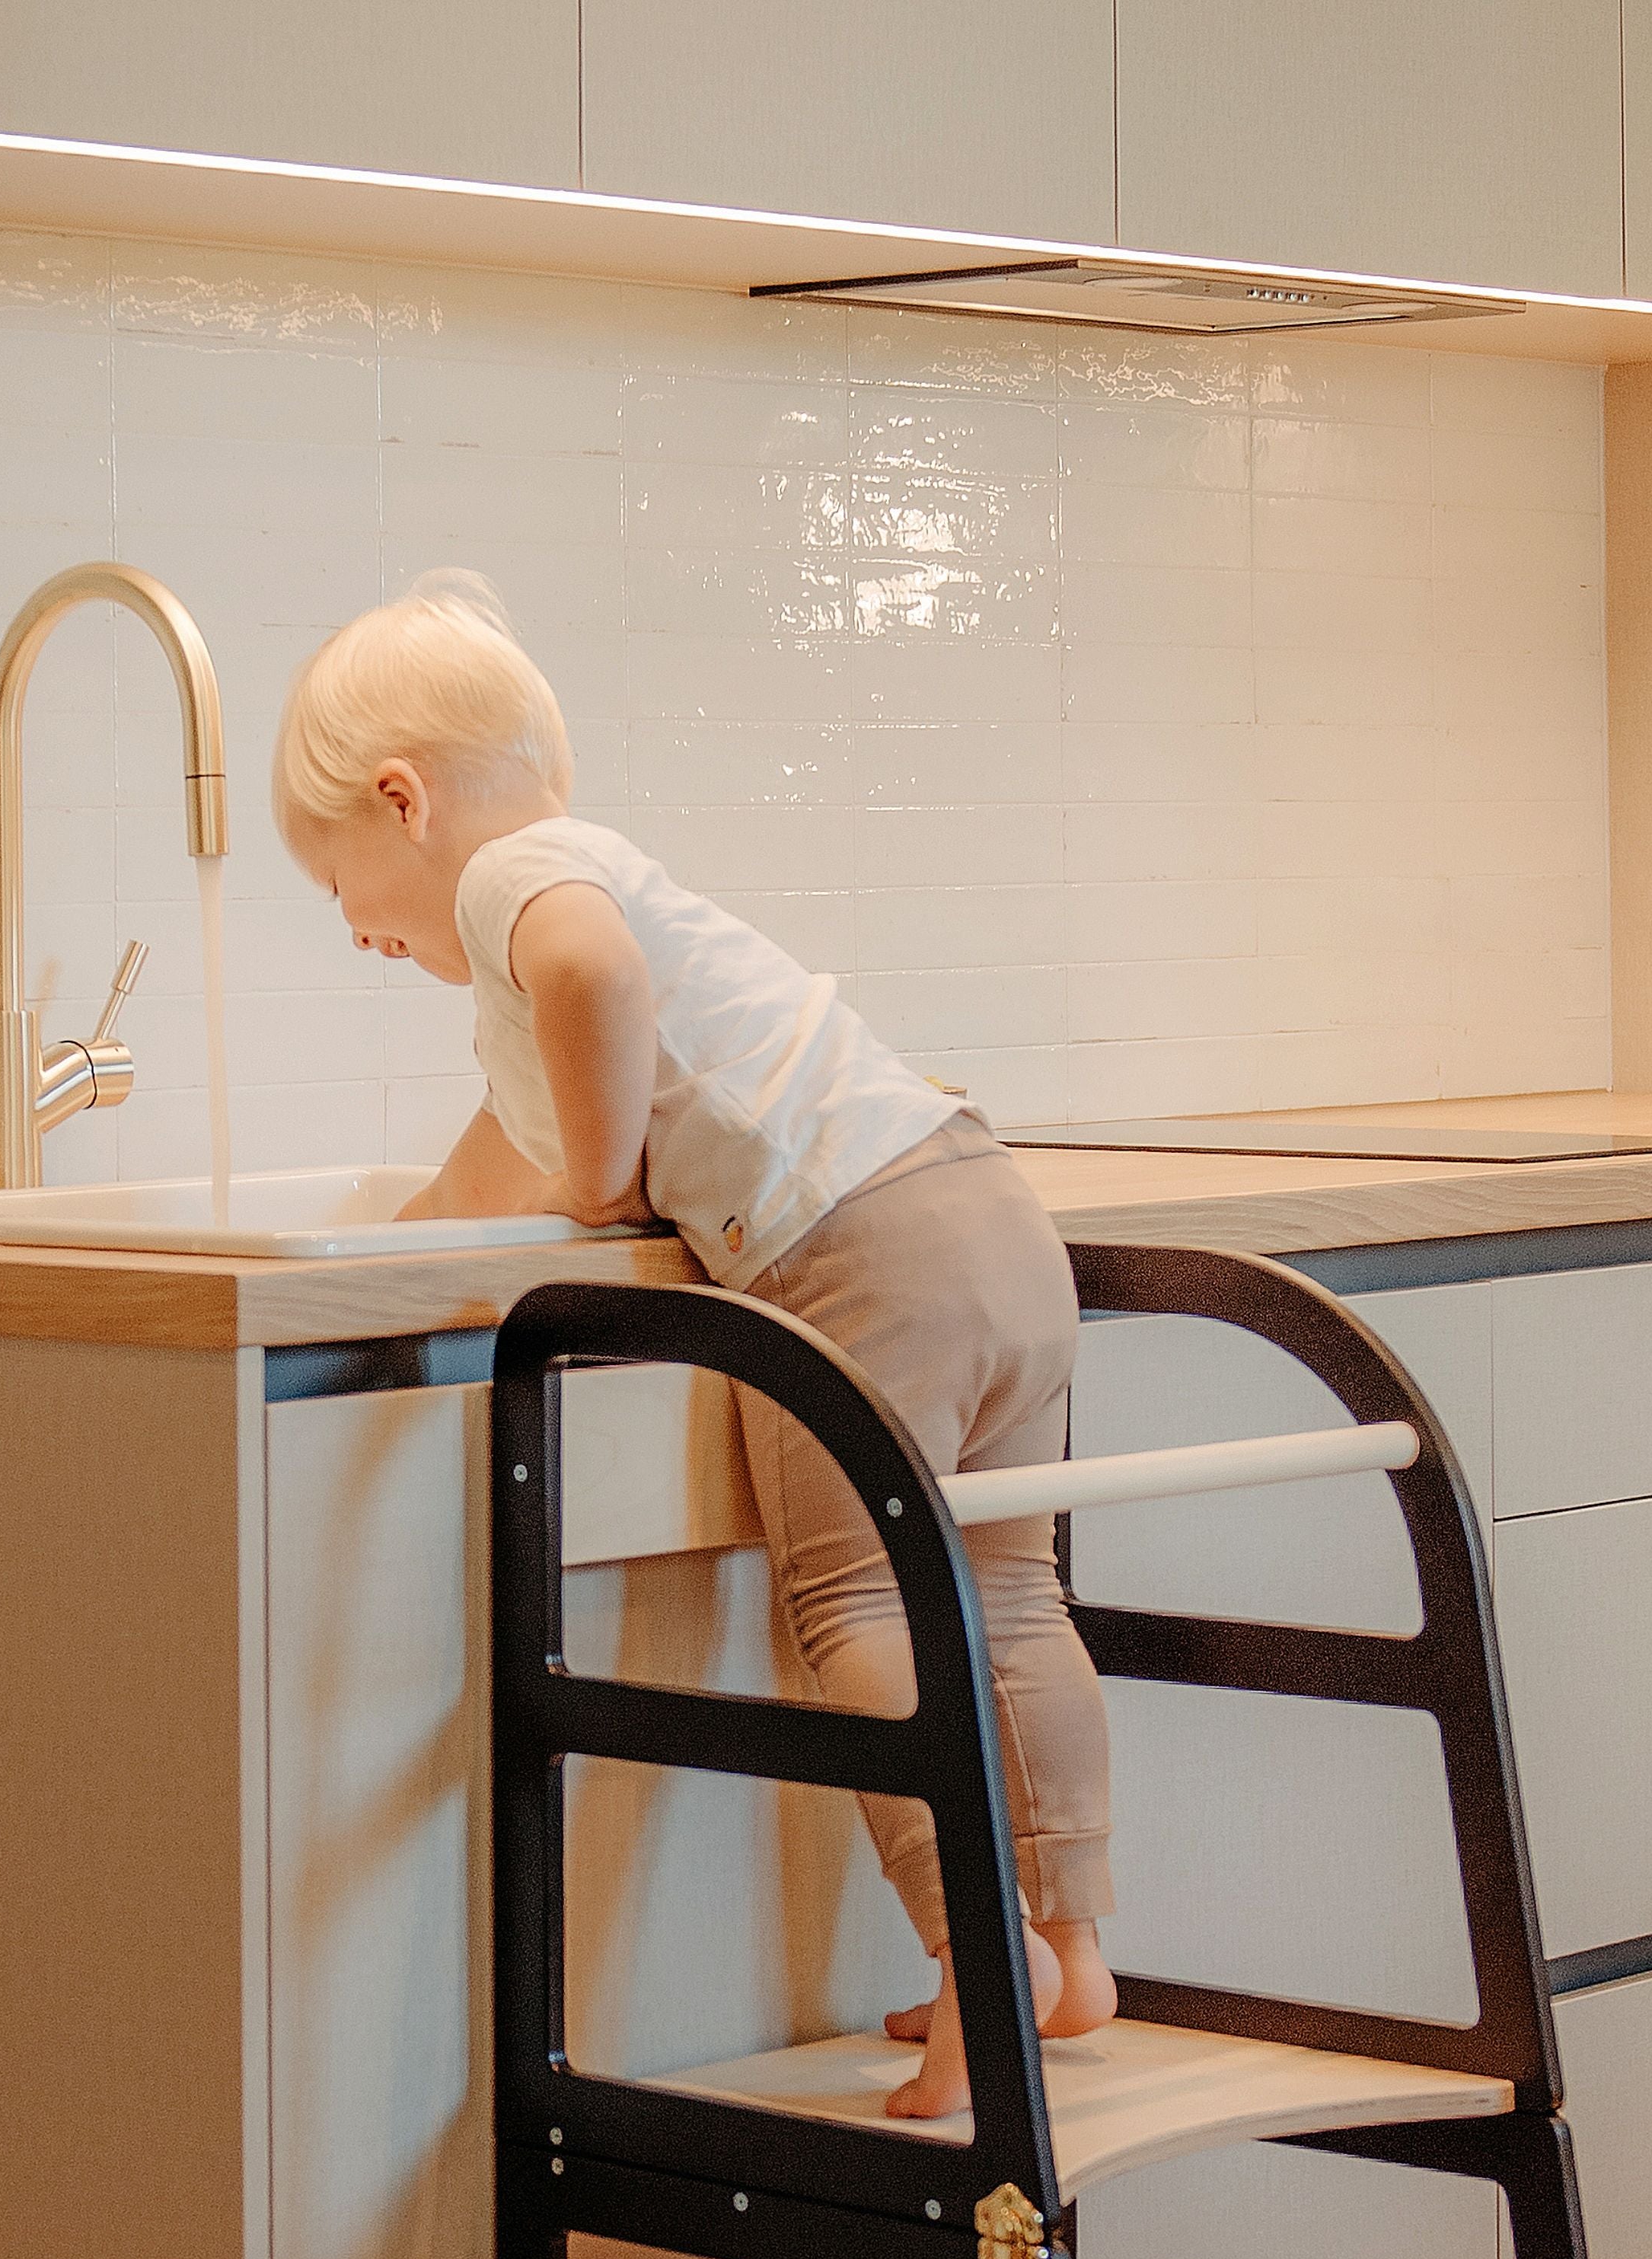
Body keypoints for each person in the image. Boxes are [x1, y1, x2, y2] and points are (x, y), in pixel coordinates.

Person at [270, 570, 1114, 2117]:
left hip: (854, 1259)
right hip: (986, 1211)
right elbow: (486, 1160)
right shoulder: (596, 874)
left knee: (857, 1601)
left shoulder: (514, 887)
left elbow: (588, 1000)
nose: (351, 931)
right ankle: (1066, 1943)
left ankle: (984, 1988)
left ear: (401, 802)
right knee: (1007, 1591)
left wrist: (597, 1178)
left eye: (334, 884)